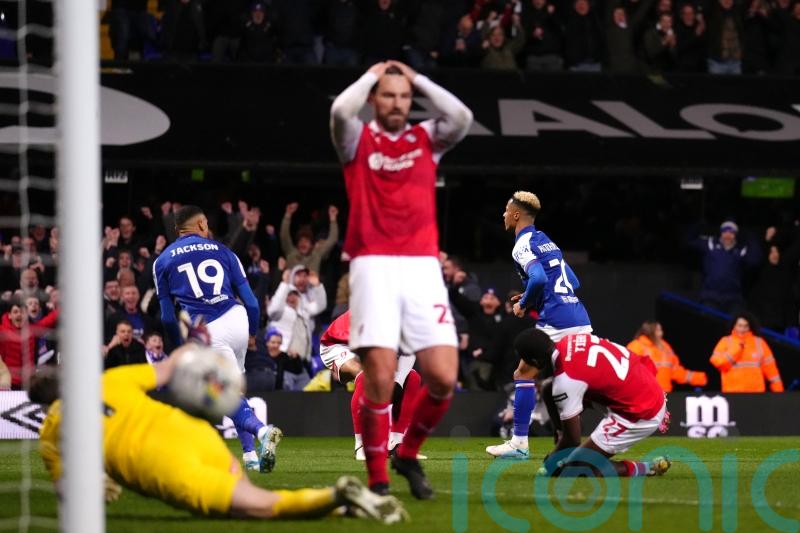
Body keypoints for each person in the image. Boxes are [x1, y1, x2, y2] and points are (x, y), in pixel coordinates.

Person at [30, 345, 407, 524]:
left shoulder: (52, 431)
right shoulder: (107, 381)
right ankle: (341, 506)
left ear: (44, 406)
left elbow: (68, 491)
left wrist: (93, 484)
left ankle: (336, 493)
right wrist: (209, 360)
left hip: (166, 466)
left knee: (261, 506)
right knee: (246, 489)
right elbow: (174, 364)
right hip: (194, 434)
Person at [329, 59, 472, 498]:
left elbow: (461, 117)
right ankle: (378, 479)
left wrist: (418, 79)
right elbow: (339, 111)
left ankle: (407, 453)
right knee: (380, 378)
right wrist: (372, 75)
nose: (397, 103)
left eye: (404, 97)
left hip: (422, 266)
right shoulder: (357, 138)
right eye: (388, 95)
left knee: (443, 376)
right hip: (373, 265)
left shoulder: (425, 139)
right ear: (374, 99)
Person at [153, 205, 279, 472]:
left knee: (225, 394)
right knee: (237, 390)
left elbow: (166, 317)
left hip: (208, 329)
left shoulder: (162, 261)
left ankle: (262, 432)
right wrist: (252, 333)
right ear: (201, 225)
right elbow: (253, 303)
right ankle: (250, 457)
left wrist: (179, 348)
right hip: (237, 317)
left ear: (178, 230)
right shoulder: (225, 251)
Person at [486, 191, 592, 460]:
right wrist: (531, 294)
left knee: (522, 375)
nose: (503, 214)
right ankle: (638, 410)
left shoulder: (521, 245)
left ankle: (519, 443)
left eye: (506, 210)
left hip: (555, 321)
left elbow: (539, 279)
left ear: (517, 214)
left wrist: (524, 304)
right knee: (585, 382)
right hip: (578, 316)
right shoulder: (548, 242)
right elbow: (573, 281)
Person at [514, 329, 672, 478]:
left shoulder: (566, 381)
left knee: (575, 468)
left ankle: (647, 468)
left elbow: (573, 440)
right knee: (549, 389)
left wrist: (552, 459)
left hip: (640, 410)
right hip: (645, 384)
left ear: (535, 361)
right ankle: (565, 436)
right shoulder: (571, 339)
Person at [319, 310, 423, 461]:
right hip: (338, 343)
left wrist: (397, 384)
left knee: (412, 378)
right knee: (366, 376)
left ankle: (397, 444)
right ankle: (361, 446)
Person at [709, 312, 784, 392]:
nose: (742, 329)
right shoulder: (725, 341)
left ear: (750, 327)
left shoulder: (759, 342)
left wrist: (779, 392)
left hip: (755, 394)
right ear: (734, 326)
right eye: (739, 325)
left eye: (746, 326)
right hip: (732, 393)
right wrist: (736, 349)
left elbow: (772, 371)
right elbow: (719, 363)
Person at [627, 321, 707, 392]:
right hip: (645, 393)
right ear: (649, 331)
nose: (661, 332)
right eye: (658, 330)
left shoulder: (666, 347)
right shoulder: (636, 346)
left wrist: (698, 378)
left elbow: (675, 370)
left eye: (661, 330)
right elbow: (627, 370)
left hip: (665, 393)